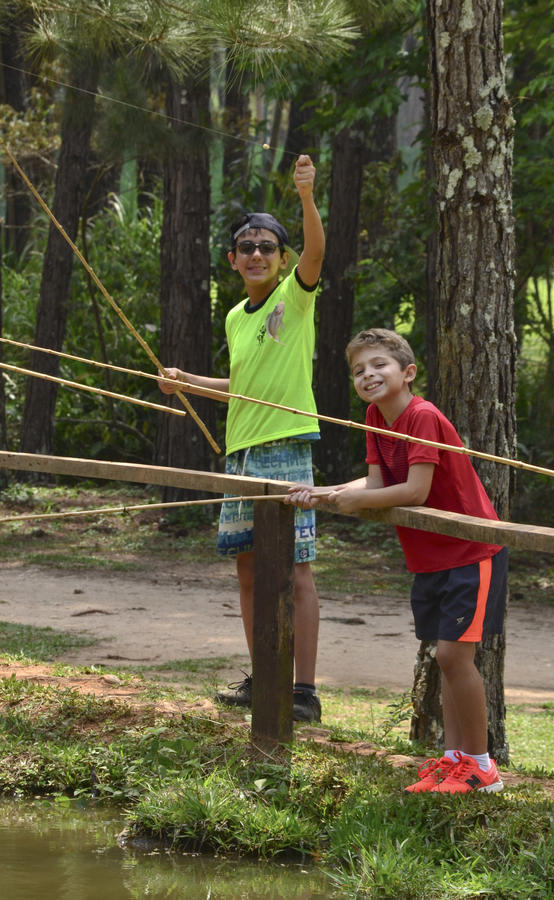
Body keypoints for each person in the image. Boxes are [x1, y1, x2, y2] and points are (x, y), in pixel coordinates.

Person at [287, 328, 508, 790]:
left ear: (407, 373)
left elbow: (414, 491)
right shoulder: (375, 417)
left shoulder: (422, 417)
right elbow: (372, 483)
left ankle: (483, 766)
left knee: (453, 655)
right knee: (444, 661)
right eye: (359, 370)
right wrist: (324, 494)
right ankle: (454, 759)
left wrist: (353, 503)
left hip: (470, 552)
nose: (368, 375)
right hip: (429, 557)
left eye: (379, 365)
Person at [158, 155, 325, 723]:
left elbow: (317, 254)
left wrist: (305, 197)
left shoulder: (293, 298)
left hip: (286, 444)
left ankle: (303, 690)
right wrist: (189, 384)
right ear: (233, 261)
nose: (256, 254)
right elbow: (243, 387)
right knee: (250, 569)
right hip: (242, 453)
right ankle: (265, 676)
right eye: (246, 248)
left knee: (296, 566)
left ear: (282, 259)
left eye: (267, 247)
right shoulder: (235, 316)